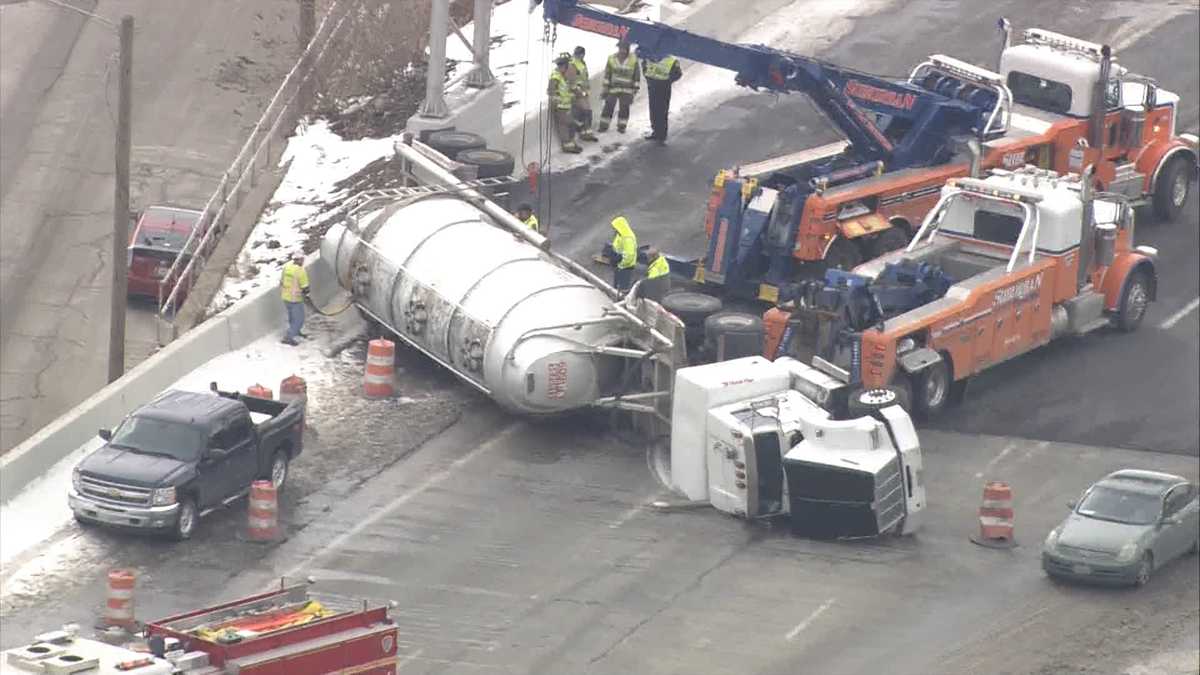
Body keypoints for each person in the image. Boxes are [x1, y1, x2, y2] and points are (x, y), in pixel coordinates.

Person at [599, 39, 639, 134]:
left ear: (628, 49)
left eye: (624, 49)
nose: (622, 51)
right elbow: (607, 74)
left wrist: (635, 89)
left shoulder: (633, 60)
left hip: (627, 89)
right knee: (608, 106)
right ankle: (603, 126)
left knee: (624, 108)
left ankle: (622, 126)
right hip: (613, 88)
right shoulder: (611, 59)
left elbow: (636, 76)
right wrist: (605, 87)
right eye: (621, 49)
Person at [641, 51, 682, 144]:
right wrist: (649, 78)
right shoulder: (648, 56)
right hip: (653, 86)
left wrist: (667, 81)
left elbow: (678, 74)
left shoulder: (671, 60)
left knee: (662, 111)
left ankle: (662, 135)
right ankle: (656, 131)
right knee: (653, 110)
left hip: (663, 88)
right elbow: (644, 67)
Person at [549, 53, 582, 153]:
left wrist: (578, 93)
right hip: (560, 107)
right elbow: (551, 91)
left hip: (567, 106)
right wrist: (556, 102)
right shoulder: (556, 77)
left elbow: (571, 88)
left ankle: (571, 143)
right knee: (564, 126)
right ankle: (567, 146)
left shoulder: (565, 76)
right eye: (560, 66)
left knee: (571, 124)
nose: (562, 68)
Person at [568, 46, 598, 142]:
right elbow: (571, 81)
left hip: (582, 92)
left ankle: (585, 132)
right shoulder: (573, 64)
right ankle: (585, 133)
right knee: (586, 111)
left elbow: (585, 77)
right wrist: (578, 91)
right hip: (577, 93)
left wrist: (587, 89)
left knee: (585, 112)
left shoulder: (581, 63)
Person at [280, 251, 309, 346]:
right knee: (299, 319)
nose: (303, 261)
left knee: (292, 317)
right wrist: (307, 293)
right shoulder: (300, 271)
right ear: (300, 260)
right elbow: (305, 287)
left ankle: (296, 332)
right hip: (295, 299)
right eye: (302, 259)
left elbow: (281, 281)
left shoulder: (287, 267)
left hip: (285, 297)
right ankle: (288, 337)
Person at [609, 216, 638, 292]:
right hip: (619, 264)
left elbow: (629, 256)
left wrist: (620, 265)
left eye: (615, 228)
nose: (614, 230)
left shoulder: (628, 238)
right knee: (616, 286)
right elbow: (616, 246)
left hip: (625, 267)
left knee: (622, 289)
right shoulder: (620, 235)